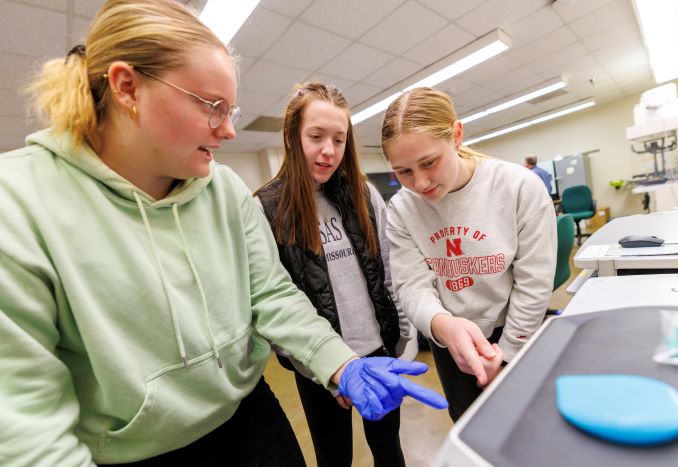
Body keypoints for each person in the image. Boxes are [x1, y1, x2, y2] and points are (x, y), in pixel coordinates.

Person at [0, 2, 446, 466]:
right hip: (134, 452)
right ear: (127, 87)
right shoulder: (18, 204)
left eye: (230, 109)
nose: (230, 130)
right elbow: (25, 424)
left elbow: (272, 294)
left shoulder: (224, 189)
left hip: (249, 417)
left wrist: (340, 361)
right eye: (213, 106)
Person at [255, 82, 412, 467]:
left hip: (378, 354)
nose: (329, 151)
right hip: (318, 371)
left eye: (339, 140)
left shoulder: (363, 193)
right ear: (292, 138)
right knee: (334, 458)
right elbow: (270, 301)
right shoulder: (266, 208)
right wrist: (329, 372)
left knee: (389, 452)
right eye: (316, 136)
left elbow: (391, 271)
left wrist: (402, 344)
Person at [381, 87, 557, 422]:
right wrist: (443, 325)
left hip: (515, 328)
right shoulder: (402, 208)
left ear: (457, 135)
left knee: (522, 426)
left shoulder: (519, 188)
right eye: (403, 172)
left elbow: (533, 283)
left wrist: (506, 355)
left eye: (429, 163)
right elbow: (412, 286)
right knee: (469, 425)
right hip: (451, 338)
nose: (419, 183)